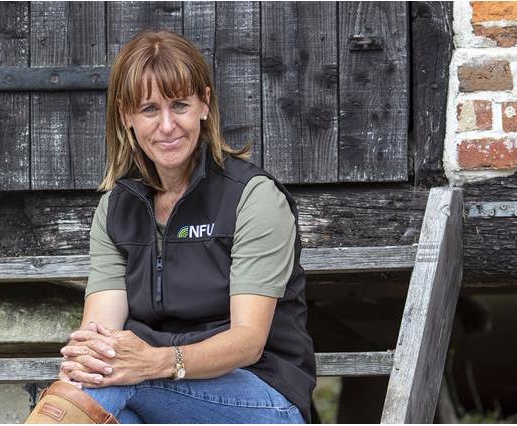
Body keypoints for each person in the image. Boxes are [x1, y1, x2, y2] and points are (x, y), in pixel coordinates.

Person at [25, 30, 315, 424]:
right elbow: (99, 335)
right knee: (107, 395)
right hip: (155, 393)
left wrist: (154, 362)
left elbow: (248, 342)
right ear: (127, 115)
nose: (166, 126)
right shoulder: (115, 210)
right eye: (148, 109)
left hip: (263, 397)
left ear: (204, 105)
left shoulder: (252, 197)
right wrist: (85, 364)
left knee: (117, 382)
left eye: (179, 105)